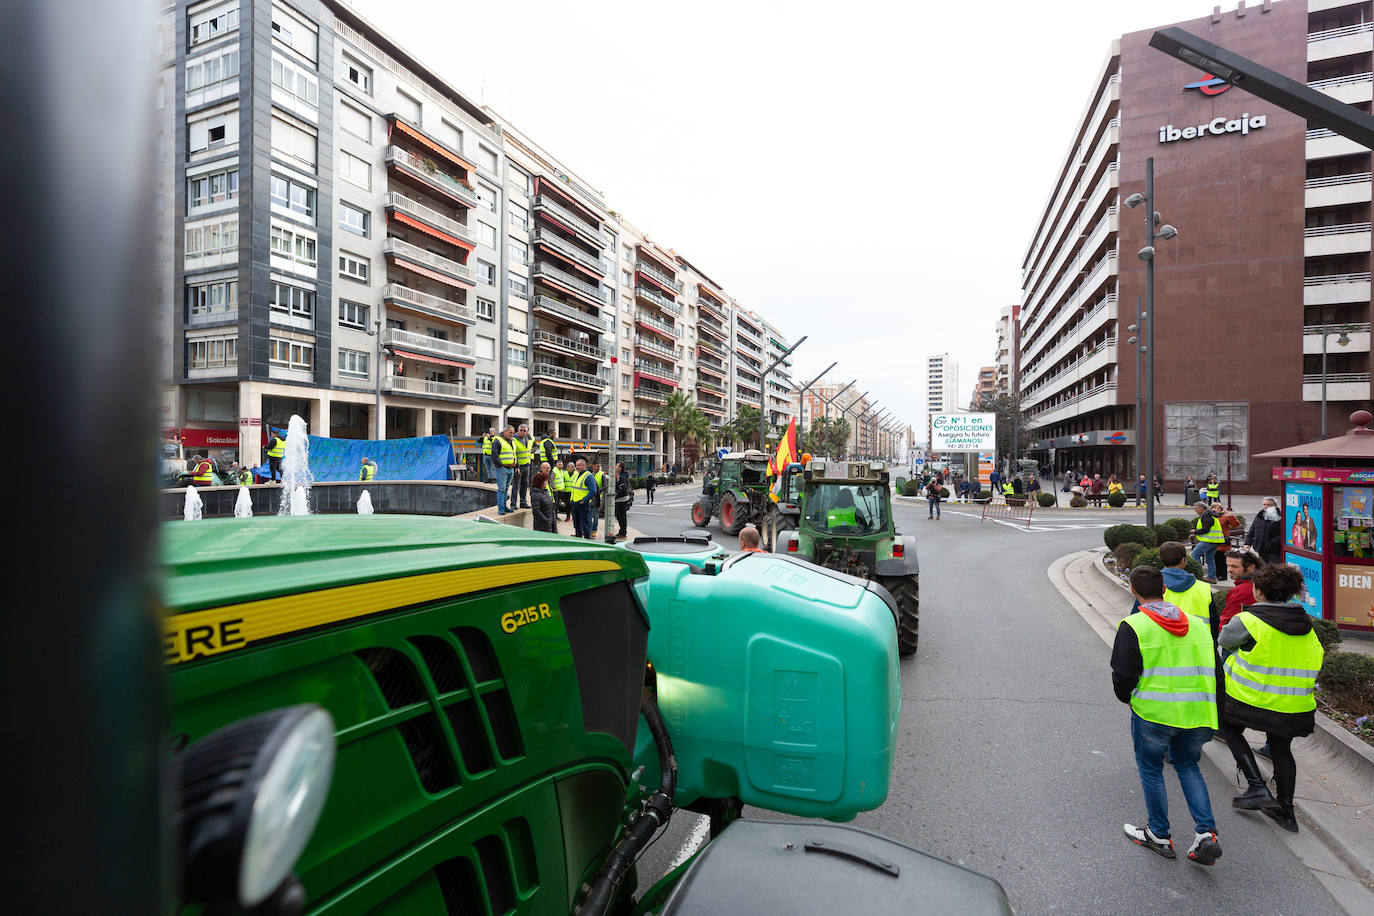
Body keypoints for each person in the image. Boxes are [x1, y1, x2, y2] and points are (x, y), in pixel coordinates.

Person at [1113, 565, 1223, 865]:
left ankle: (1159, 834)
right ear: (1164, 589)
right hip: (1198, 712)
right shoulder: (1199, 626)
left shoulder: (1134, 625)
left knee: (1151, 770)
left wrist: (1129, 699)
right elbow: (1217, 670)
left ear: (1133, 591)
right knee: (1188, 766)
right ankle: (1206, 834)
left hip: (1154, 713)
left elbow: (1123, 674)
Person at [1217, 564, 1324, 832]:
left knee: (1227, 727)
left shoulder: (1249, 620)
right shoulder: (1307, 626)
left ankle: (1257, 787)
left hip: (1251, 699)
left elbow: (1225, 641)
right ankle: (1286, 811)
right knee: (1281, 749)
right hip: (1293, 706)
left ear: (1258, 591)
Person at [1161, 541, 1215, 629]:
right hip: (1199, 641)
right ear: (1184, 560)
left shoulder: (1151, 585)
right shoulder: (1204, 588)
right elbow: (1214, 623)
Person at [1220, 550, 1261, 628]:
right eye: (1228, 565)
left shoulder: (1242, 590)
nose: (1229, 570)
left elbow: (1228, 621)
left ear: (1251, 567)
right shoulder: (1259, 582)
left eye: (1234, 566)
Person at [1189, 501, 1224, 582]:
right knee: (1209, 559)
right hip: (1215, 540)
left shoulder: (1206, 516)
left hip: (1209, 540)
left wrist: (1195, 531)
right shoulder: (1211, 515)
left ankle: (1199, 574)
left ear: (1200, 508)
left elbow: (1205, 529)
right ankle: (1212, 577)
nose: (1195, 511)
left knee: (1194, 554)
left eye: (1196, 509)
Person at [1245, 497, 1283, 565]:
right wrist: (1247, 544)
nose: (1265, 506)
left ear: (1274, 506)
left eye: (1268, 505)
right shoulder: (1259, 516)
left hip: (1274, 551)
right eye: (1264, 504)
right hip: (1261, 549)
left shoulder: (1280, 517)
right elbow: (1252, 531)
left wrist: (1273, 542)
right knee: (1263, 570)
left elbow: (1284, 534)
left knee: (1274, 571)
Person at [1212, 502, 1242, 582]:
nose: (1215, 510)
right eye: (1213, 508)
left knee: (1221, 559)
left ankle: (1223, 575)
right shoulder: (1210, 517)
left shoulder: (1225, 517)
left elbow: (1235, 524)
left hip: (1223, 541)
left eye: (1217, 508)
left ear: (1221, 509)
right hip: (1212, 541)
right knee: (1215, 558)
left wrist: (1230, 515)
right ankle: (1217, 574)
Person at [569, 458, 598, 539]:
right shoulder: (577, 475)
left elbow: (593, 491)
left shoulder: (588, 476)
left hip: (583, 504)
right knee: (576, 524)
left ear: (584, 466)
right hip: (575, 503)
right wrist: (572, 500)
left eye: (579, 465)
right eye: (576, 465)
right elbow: (575, 489)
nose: (577, 467)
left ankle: (587, 540)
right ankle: (578, 539)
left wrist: (584, 500)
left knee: (585, 524)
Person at [492, 424, 516, 515]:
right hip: (502, 469)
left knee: (506, 488)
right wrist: (502, 465)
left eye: (513, 433)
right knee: (501, 489)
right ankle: (501, 508)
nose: (512, 434)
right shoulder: (497, 441)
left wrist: (515, 466)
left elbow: (514, 454)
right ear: (505, 432)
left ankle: (505, 506)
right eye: (510, 433)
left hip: (511, 469)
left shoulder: (512, 441)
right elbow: (494, 456)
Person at [512, 424, 532, 509]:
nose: (523, 432)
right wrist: (516, 467)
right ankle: (513, 504)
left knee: (525, 485)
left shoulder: (529, 438)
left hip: (527, 465)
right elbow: (514, 454)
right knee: (516, 485)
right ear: (518, 430)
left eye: (524, 430)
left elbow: (534, 446)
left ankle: (523, 502)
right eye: (521, 430)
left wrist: (532, 451)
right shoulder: (514, 439)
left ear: (527, 431)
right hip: (519, 467)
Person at [613, 462, 631, 539]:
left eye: (617, 465)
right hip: (619, 499)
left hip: (622, 499)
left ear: (620, 468)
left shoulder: (622, 477)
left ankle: (623, 533)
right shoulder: (619, 476)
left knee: (621, 516)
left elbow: (623, 489)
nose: (615, 466)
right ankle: (622, 531)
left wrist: (616, 494)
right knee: (618, 515)